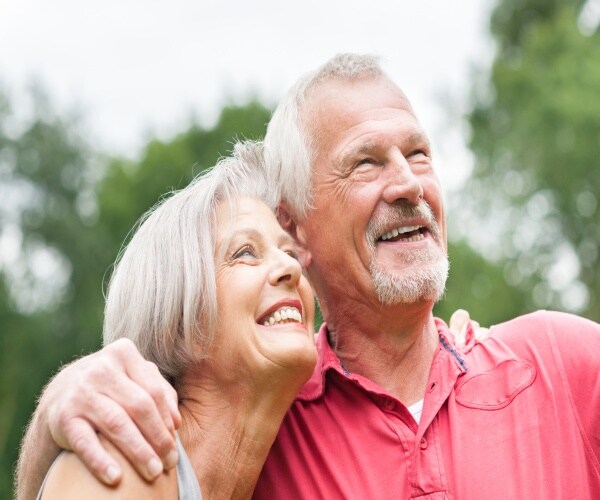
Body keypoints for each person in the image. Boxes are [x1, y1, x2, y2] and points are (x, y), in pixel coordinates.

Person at [18, 54, 600, 499]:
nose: (408, 185)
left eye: (419, 154)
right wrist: (55, 411)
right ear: (298, 231)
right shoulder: (269, 416)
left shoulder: (557, 362)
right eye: (365, 162)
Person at [32, 141, 317, 499]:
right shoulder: (119, 471)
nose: (291, 267)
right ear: (181, 328)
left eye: (289, 252)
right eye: (245, 252)